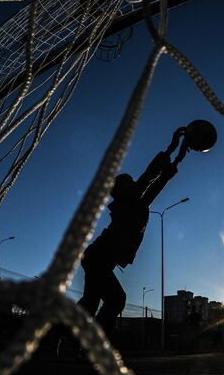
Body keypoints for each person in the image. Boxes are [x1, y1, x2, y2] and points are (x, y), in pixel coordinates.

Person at [77, 129, 189, 337]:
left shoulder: (138, 204)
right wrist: (171, 149)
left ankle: (56, 336)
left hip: (97, 259)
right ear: (119, 190)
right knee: (116, 299)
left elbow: (156, 185)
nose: (133, 183)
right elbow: (148, 178)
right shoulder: (125, 202)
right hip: (97, 258)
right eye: (128, 182)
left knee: (90, 303)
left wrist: (177, 160)